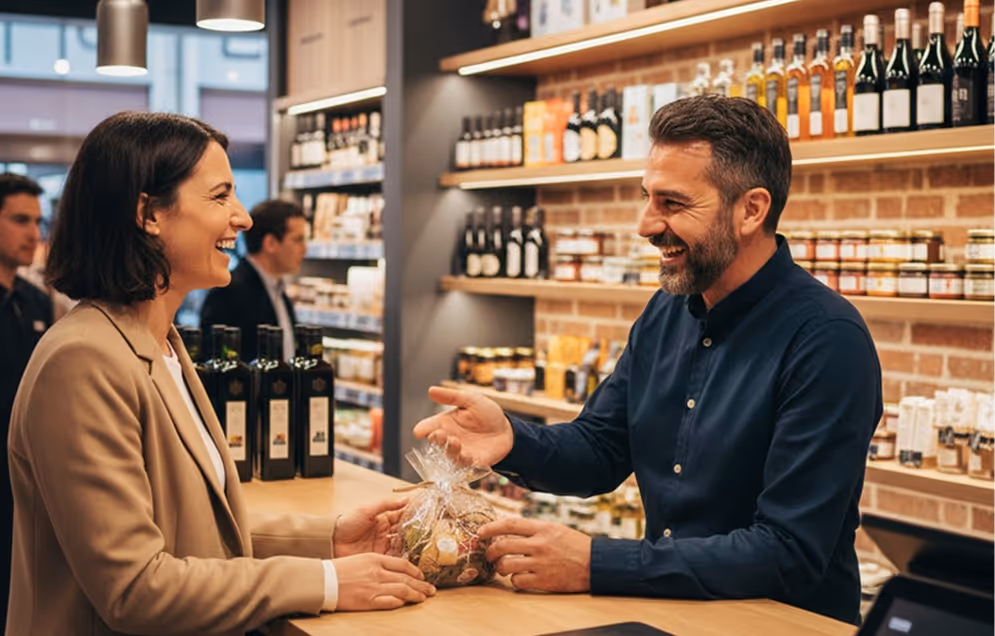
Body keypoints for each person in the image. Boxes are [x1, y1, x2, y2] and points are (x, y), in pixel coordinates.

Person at [415, 96, 882, 625]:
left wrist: (594, 562)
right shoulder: (667, 311)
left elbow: (788, 550)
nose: (645, 225)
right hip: (672, 614)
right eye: (648, 199)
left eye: (673, 204)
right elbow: (601, 448)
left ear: (751, 209)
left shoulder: (826, 340)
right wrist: (512, 439)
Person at [7, 112, 434, 636]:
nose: (244, 218)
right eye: (219, 196)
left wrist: (330, 540)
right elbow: (134, 588)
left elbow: (194, 529)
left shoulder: (160, 343)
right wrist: (326, 582)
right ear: (148, 213)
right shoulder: (83, 362)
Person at [0, 173, 52, 628]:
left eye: (37, 221)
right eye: (20, 220)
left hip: (23, 487)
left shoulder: (35, 301)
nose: (33, 234)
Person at [200, 199, 306, 363]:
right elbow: (215, 362)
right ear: (270, 243)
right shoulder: (228, 292)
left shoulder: (278, 290)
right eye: (297, 240)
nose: (304, 249)